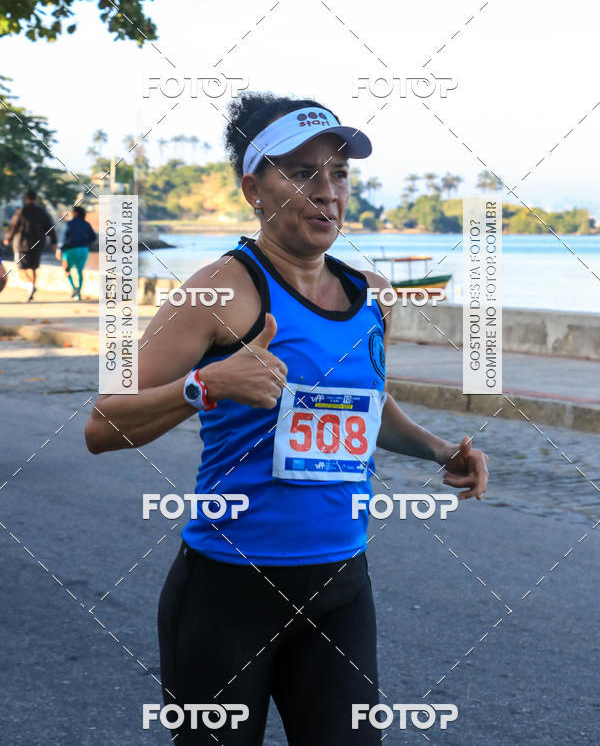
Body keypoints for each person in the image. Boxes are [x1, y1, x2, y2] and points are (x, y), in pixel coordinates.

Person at [85, 93, 489, 745]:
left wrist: (441, 450)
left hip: (340, 587)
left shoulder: (373, 297)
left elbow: (365, 407)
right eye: (301, 173)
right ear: (254, 188)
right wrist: (206, 385)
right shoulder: (220, 292)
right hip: (226, 592)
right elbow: (103, 425)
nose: (326, 192)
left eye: (339, 173)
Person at [3, 189, 57, 301]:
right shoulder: (42, 212)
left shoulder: (21, 211)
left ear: (26, 199)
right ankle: (31, 288)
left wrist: (8, 238)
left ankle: (30, 287)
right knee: (32, 268)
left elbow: (14, 225)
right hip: (38, 244)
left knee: (21, 268)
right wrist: (54, 241)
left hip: (22, 244)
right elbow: (50, 226)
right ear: (35, 199)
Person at [56, 204, 96, 300]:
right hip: (83, 250)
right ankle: (78, 293)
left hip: (70, 250)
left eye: (72, 212)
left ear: (75, 213)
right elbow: (93, 237)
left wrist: (59, 249)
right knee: (79, 271)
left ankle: (74, 288)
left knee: (66, 269)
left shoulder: (69, 224)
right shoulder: (86, 224)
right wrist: (86, 242)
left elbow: (63, 238)